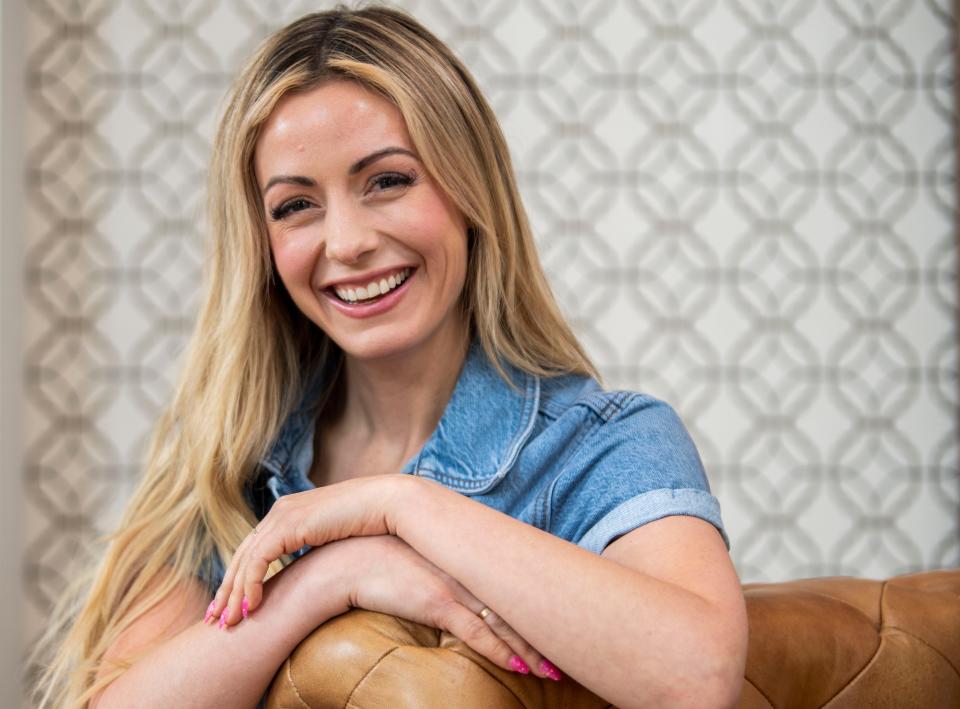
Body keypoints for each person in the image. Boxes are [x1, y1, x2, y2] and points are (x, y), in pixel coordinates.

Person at [30, 4, 748, 708]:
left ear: (472, 192)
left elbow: (696, 676)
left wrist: (400, 505)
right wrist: (325, 579)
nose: (345, 242)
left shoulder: (603, 444)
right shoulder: (232, 471)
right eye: (295, 205)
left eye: (387, 181)